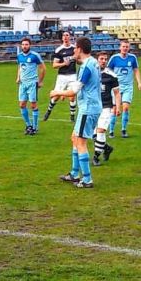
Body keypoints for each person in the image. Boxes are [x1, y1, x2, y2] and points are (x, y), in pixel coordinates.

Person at [49, 36, 102, 188]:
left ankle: (87, 179)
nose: (73, 51)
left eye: (75, 48)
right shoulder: (92, 62)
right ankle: (74, 173)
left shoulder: (86, 67)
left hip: (88, 108)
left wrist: (57, 92)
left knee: (80, 142)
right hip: (91, 106)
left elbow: (74, 91)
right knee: (74, 137)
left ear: (79, 49)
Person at [106, 39, 141, 138]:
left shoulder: (133, 58)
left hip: (128, 86)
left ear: (129, 48)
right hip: (116, 87)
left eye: (127, 47)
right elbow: (107, 70)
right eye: (123, 46)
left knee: (126, 108)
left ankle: (123, 130)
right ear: (120, 47)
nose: (125, 48)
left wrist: (139, 83)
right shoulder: (114, 58)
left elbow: (136, 70)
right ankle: (111, 131)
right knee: (115, 109)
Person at [92, 51, 122, 166]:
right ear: (97, 60)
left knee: (101, 131)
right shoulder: (92, 73)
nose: (103, 61)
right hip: (94, 107)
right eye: (101, 59)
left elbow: (117, 93)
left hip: (107, 107)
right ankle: (107, 148)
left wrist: (117, 107)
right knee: (93, 135)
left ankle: (95, 157)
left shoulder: (112, 75)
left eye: (105, 59)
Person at [43, 32, 77, 122]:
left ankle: (72, 116)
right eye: (64, 36)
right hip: (62, 76)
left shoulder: (74, 49)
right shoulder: (59, 50)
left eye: (67, 35)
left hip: (72, 74)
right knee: (56, 96)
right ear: (62, 38)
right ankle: (49, 111)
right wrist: (63, 64)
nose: (65, 37)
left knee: (72, 95)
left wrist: (76, 59)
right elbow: (54, 65)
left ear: (70, 37)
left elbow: (79, 60)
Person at [16, 36, 46, 135]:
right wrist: (18, 77)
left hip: (32, 83)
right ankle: (28, 125)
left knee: (33, 105)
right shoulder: (19, 56)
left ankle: (35, 127)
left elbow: (43, 68)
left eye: (26, 44)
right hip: (22, 83)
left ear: (30, 45)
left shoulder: (34, 55)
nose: (24, 46)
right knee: (22, 104)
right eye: (23, 44)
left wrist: (40, 81)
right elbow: (20, 67)